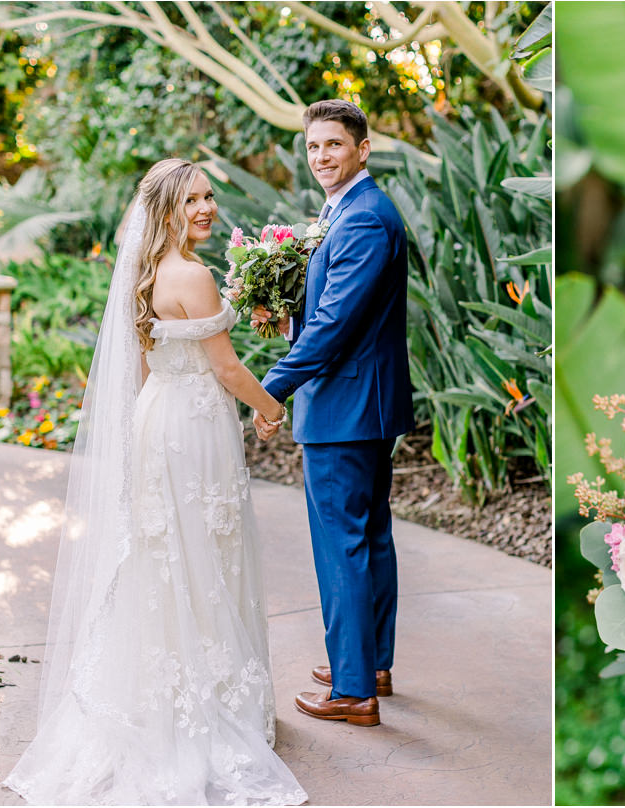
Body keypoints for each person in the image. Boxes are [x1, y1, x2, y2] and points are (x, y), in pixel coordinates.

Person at [3, 159, 307, 804]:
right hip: (195, 426)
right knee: (204, 553)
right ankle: (210, 696)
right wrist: (271, 406)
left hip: (157, 420)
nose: (206, 207)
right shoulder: (193, 274)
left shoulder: (142, 274)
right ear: (165, 208)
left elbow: (142, 366)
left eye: (208, 196)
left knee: (165, 554)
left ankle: (167, 686)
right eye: (191, 199)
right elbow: (225, 368)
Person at [251, 99, 414, 727]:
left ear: (363, 148)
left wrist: (272, 389)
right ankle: (368, 663)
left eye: (334, 145)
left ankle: (352, 690)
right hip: (360, 402)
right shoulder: (345, 209)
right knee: (368, 537)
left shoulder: (365, 218)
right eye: (314, 146)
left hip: (345, 404)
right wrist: (286, 316)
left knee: (342, 544)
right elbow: (335, 308)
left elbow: (335, 326)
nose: (322, 157)